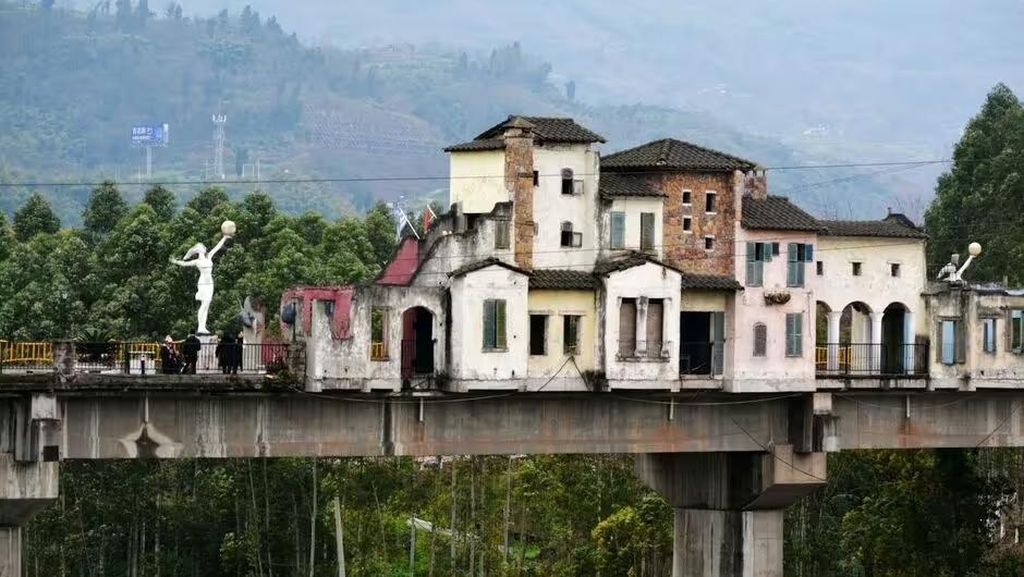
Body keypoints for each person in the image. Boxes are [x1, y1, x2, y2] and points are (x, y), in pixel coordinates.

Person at [169, 232, 231, 335]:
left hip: (210, 283)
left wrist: (224, 238)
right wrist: (175, 261)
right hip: (202, 283)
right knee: (203, 304)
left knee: (207, 305)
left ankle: (203, 326)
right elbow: (184, 264)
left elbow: (217, 247)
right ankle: (200, 326)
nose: (205, 248)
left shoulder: (209, 256)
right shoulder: (197, 261)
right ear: (198, 250)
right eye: (202, 247)